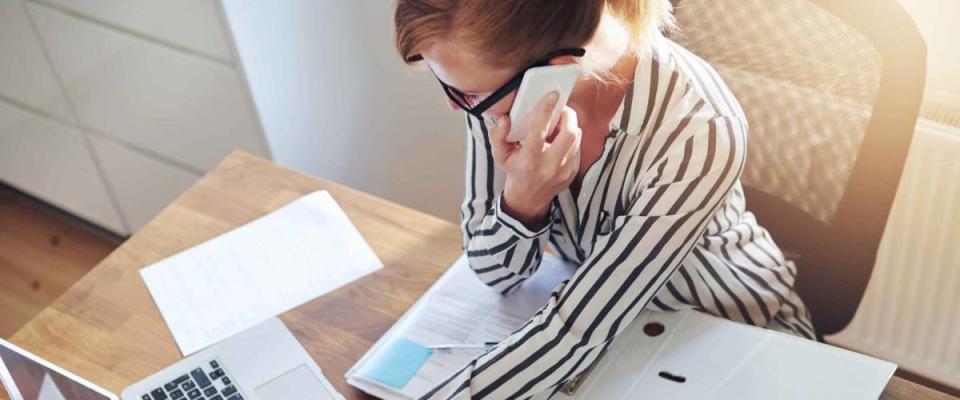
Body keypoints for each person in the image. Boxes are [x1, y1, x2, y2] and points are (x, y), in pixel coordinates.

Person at [395, 0, 815, 398]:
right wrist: (522, 202)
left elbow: (576, 331)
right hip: (617, 334)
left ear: (555, 70)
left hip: (731, 333)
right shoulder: (498, 102)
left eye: (465, 95)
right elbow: (494, 274)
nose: (457, 108)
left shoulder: (701, 130)